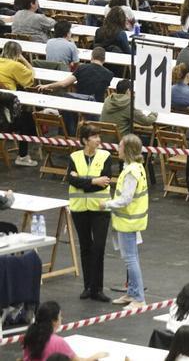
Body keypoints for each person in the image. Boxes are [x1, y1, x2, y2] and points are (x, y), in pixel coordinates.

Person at [66, 123, 114, 302]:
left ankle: (98, 288)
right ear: (85, 140)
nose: (98, 140)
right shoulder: (74, 157)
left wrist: (83, 181)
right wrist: (94, 181)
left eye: (98, 136)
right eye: (94, 137)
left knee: (98, 248)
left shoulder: (106, 156)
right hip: (80, 209)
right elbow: (71, 180)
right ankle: (88, 286)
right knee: (85, 247)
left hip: (100, 209)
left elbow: (106, 180)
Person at [104, 135, 149, 308]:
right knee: (132, 257)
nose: (118, 149)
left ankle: (139, 299)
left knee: (130, 259)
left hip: (128, 221)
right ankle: (132, 293)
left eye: (120, 146)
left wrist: (106, 205)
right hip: (131, 220)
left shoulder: (131, 172)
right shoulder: (136, 167)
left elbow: (125, 199)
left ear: (127, 150)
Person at [21, 301, 105, 361]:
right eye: (60, 315)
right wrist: (94, 357)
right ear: (54, 320)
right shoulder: (58, 342)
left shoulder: (30, 336)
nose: (62, 318)